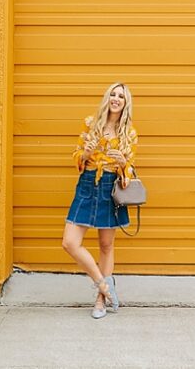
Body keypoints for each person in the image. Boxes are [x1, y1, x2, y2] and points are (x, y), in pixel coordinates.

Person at [62, 82, 138, 319]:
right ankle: (103, 284)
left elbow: (130, 171)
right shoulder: (90, 124)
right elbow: (76, 156)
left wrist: (123, 164)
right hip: (87, 184)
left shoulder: (129, 133)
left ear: (126, 103)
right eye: (113, 94)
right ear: (107, 98)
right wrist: (85, 154)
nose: (116, 99)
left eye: (121, 96)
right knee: (69, 242)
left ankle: (100, 300)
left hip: (109, 187)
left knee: (106, 245)